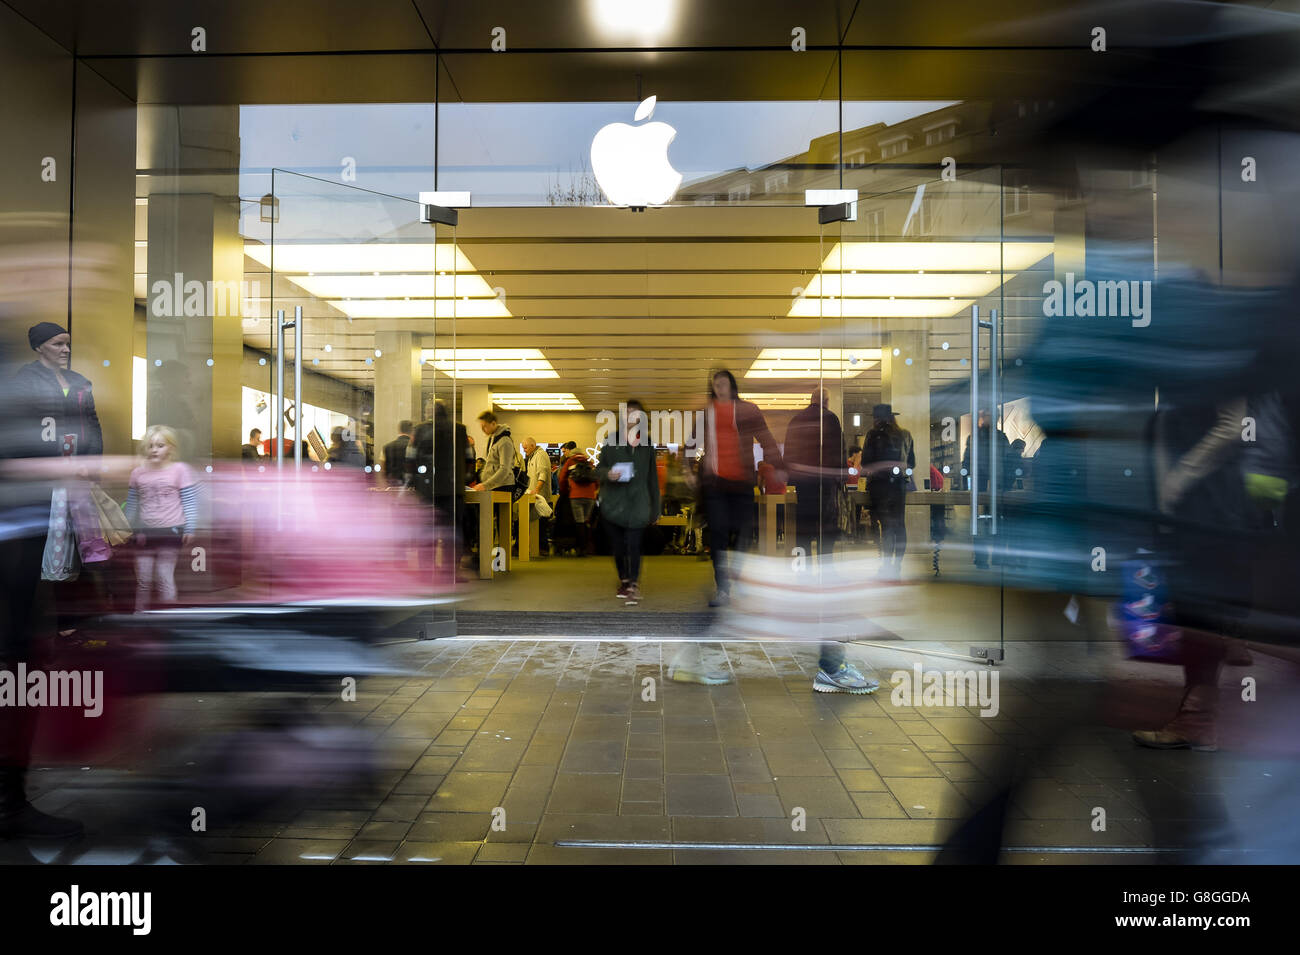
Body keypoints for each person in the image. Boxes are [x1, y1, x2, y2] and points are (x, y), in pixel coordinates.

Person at [783, 388, 878, 693]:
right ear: (824, 401)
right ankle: (823, 567)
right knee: (825, 529)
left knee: (804, 529)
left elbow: (789, 452)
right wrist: (838, 476)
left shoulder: (797, 420)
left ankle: (804, 569)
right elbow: (837, 452)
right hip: (824, 482)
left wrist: (792, 476)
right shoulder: (832, 419)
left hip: (805, 482)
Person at [699, 369, 784, 608]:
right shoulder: (707, 412)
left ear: (732, 386)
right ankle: (723, 589)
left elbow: (766, 438)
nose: (720, 389)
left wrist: (778, 466)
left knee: (744, 533)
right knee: (718, 534)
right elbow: (692, 440)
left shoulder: (748, 410)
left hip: (742, 482)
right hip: (715, 484)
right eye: (716, 385)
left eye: (724, 384)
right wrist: (687, 467)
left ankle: (737, 573)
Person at [125, 425, 199, 612]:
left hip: (171, 531)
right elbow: (132, 504)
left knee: (164, 577)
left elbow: (189, 502)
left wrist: (190, 528)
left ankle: (169, 617)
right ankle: (140, 616)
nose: (154, 450)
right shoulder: (138, 473)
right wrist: (124, 528)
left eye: (160, 445)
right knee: (143, 579)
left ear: (170, 448)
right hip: (145, 532)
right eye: (150, 446)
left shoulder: (180, 470)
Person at [595, 402, 660, 606]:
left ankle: (633, 583)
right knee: (618, 547)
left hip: (638, 504)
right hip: (613, 504)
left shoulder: (647, 444)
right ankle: (624, 578)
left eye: (635, 414)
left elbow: (652, 478)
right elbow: (599, 469)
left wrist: (656, 508)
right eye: (627, 413)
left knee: (634, 545)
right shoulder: (611, 440)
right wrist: (608, 474)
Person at [862, 403, 915, 578]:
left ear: (877, 419)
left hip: (880, 485)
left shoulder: (873, 434)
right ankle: (897, 565)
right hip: (899, 485)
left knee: (886, 526)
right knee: (899, 525)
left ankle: (886, 566)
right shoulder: (906, 434)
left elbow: (865, 462)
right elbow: (912, 463)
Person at [961, 408, 1013, 568]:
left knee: (989, 521)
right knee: (990, 521)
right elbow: (968, 462)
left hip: (988, 484)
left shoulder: (991, 437)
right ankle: (988, 558)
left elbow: (967, 463)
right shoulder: (993, 437)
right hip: (988, 484)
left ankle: (987, 558)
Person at [558, 441, 599, 556]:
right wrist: (593, 490)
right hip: (590, 496)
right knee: (586, 521)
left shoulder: (570, 461)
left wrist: (565, 491)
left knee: (579, 521)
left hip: (576, 495)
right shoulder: (589, 463)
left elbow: (561, 478)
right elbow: (597, 480)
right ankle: (588, 547)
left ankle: (581, 548)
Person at [521, 437, 554, 554]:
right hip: (533, 496)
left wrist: (536, 490)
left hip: (541, 496)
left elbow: (543, 474)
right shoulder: (532, 457)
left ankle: (543, 549)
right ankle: (539, 548)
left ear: (532, 446)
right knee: (537, 524)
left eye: (525, 448)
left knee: (541, 525)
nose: (524, 450)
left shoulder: (541, 455)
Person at [382, 420, 413, 486]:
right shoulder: (413, 446)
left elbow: (384, 469)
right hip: (410, 485)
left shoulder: (387, 447)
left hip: (392, 484)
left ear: (399, 430)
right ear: (411, 431)